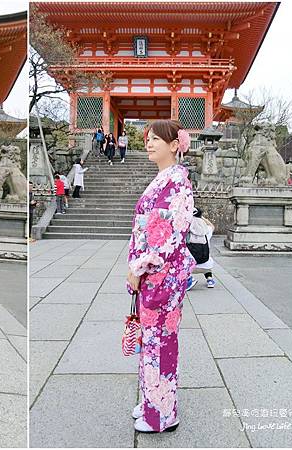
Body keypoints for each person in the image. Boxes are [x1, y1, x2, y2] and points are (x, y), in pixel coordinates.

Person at [126, 119, 194, 433]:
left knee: (160, 341)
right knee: (150, 340)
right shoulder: (164, 178)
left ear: (174, 144)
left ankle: (163, 415)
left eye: (157, 139)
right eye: (148, 138)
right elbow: (145, 226)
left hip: (162, 273)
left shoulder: (177, 180)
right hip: (154, 272)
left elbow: (169, 233)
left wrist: (140, 266)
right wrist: (135, 265)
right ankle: (153, 401)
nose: (149, 143)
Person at [185, 208, 216, 290]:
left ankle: (189, 279)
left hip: (191, 267)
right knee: (208, 261)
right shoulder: (207, 231)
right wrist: (201, 217)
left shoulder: (187, 233)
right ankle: (210, 279)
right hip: (205, 264)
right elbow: (212, 226)